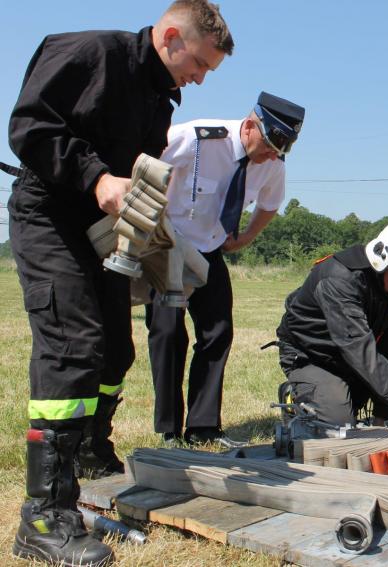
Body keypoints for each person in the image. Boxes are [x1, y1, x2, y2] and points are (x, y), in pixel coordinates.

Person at [6, 2, 232, 564]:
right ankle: (42, 516)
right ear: (172, 36)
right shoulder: (88, 52)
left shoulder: (160, 95)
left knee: (115, 350)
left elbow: (136, 171)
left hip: (102, 227)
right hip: (50, 215)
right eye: (200, 64)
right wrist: (95, 177)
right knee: (72, 346)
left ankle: (86, 450)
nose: (200, 78)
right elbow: (29, 127)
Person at [145, 92, 305, 448]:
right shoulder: (198, 138)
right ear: (250, 126)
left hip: (210, 248)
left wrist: (247, 237)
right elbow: (147, 165)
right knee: (168, 333)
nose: (271, 156)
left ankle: (203, 426)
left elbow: (269, 204)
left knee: (217, 333)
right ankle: (170, 428)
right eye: (267, 145)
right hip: (168, 243)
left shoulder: (272, 162)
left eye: (279, 150)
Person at [276, 218, 388, 439]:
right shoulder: (340, 278)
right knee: (338, 425)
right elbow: (358, 347)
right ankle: (297, 395)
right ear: (383, 260)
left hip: (353, 351)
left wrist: (383, 417)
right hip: (314, 356)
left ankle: (349, 395)